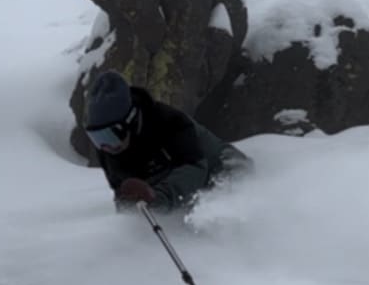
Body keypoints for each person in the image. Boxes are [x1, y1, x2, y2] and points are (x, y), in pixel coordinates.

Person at [82, 70, 249, 211]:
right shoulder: (109, 149)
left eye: (110, 135)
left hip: (224, 171)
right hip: (175, 188)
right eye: (96, 138)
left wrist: (157, 198)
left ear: (130, 121)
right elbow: (122, 192)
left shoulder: (170, 123)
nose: (104, 146)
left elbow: (196, 168)